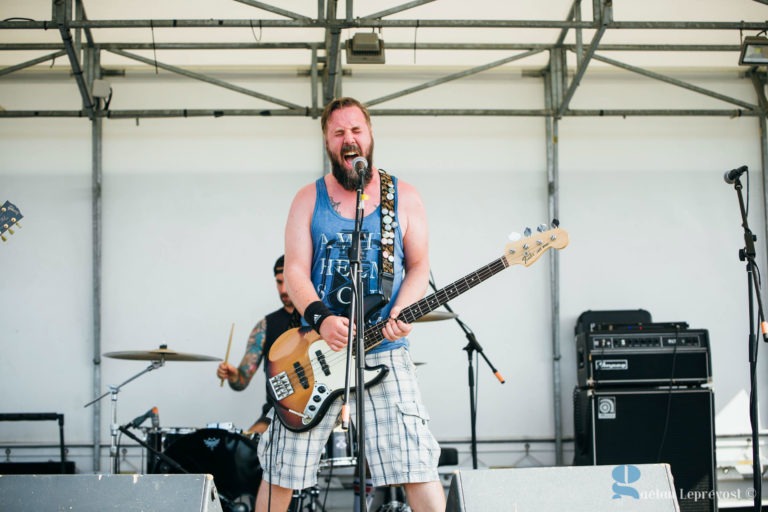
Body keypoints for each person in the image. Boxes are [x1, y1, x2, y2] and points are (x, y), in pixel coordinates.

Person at [255, 97, 446, 512]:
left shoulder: (404, 196)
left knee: (416, 463)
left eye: (356, 130)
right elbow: (295, 272)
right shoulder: (308, 198)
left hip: (385, 349)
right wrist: (321, 320)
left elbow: (419, 266)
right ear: (327, 141)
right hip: (317, 351)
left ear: (370, 134)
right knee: (281, 469)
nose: (349, 139)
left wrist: (402, 311)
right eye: (339, 132)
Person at [216, 255, 301, 435]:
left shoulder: (320, 320)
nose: (284, 290)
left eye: (287, 282)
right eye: (279, 283)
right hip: (276, 413)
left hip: (320, 409)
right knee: (244, 451)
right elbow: (240, 382)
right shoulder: (265, 326)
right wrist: (233, 375)